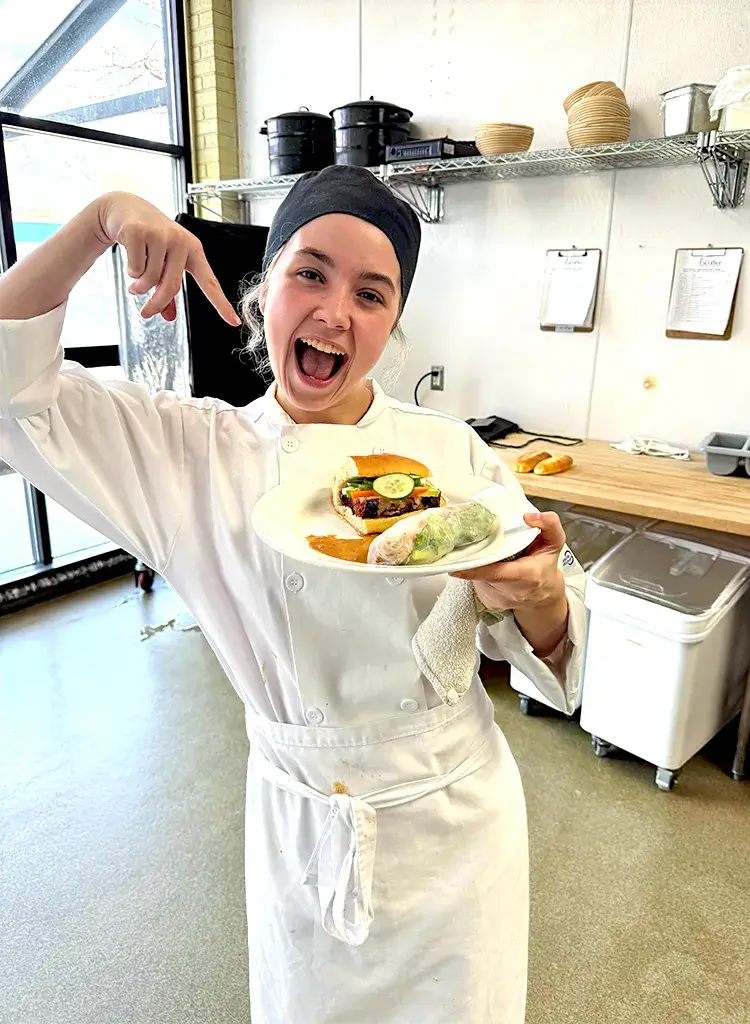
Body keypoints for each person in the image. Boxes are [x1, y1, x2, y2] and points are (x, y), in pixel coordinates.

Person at [0, 165, 586, 1024]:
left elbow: (557, 645)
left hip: (454, 822)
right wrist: (94, 224)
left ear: (391, 325)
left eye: (372, 293)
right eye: (308, 272)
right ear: (260, 287)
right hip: (300, 822)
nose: (335, 312)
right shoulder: (188, 453)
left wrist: (537, 596)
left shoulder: (451, 451)